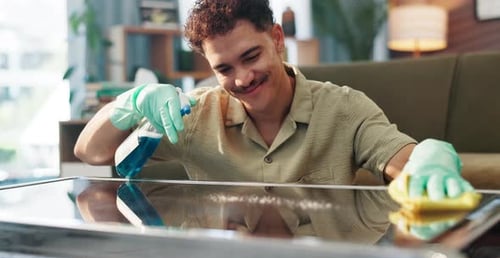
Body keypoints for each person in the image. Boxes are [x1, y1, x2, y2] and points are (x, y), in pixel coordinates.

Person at [74, 0, 474, 202]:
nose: (243, 78)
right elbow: (90, 153)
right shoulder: (193, 114)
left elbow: (404, 161)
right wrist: (126, 105)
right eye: (224, 68)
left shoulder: (345, 108)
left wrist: (429, 157)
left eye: (251, 56)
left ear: (278, 40)